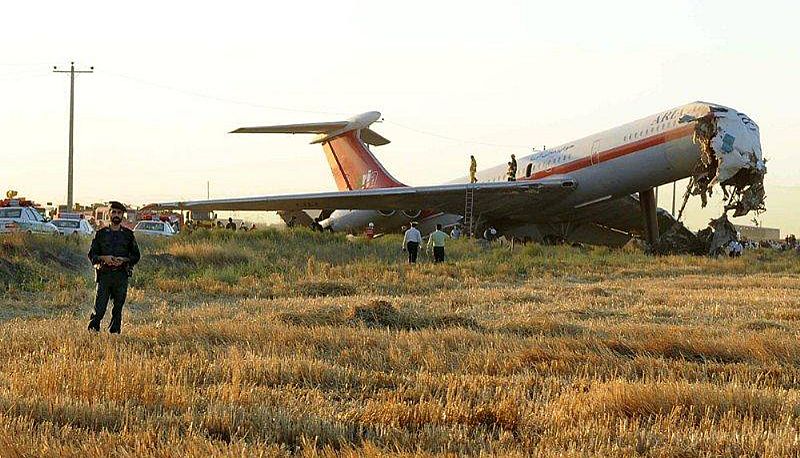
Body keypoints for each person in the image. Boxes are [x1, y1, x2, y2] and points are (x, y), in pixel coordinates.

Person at [87, 201, 140, 334]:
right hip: (104, 275)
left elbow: (136, 256)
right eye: (114, 212)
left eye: (119, 213)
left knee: (118, 308)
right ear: (109, 214)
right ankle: (93, 331)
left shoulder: (128, 235)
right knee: (99, 308)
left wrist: (124, 260)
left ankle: (115, 333)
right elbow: (92, 254)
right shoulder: (101, 234)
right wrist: (104, 258)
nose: (116, 215)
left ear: (122, 215)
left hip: (121, 275)